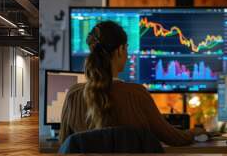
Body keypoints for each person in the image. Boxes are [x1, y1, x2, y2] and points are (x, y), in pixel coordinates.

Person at [59, 21, 193, 146]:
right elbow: (173, 138)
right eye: (127, 48)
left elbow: (64, 145)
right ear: (120, 50)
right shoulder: (137, 94)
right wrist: (196, 133)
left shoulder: (73, 95)